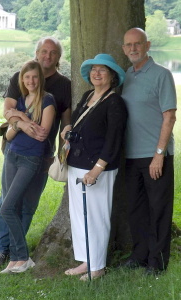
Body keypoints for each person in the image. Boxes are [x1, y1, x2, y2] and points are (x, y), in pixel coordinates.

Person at [0, 37, 72, 269]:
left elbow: (65, 122)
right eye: (44, 51)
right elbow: (8, 110)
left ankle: (18, 251)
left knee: (28, 204)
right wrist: (22, 124)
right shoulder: (22, 76)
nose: (48, 56)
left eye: (53, 52)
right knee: (5, 202)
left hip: (41, 153)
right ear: (37, 53)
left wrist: (60, 153)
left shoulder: (63, 86)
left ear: (58, 57)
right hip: (14, 148)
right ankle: (1, 250)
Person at [60, 54, 128, 281]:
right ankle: (86, 260)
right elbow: (79, 120)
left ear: (112, 76)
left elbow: (114, 140)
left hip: (97, 169)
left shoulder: (114, 102)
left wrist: (97, 170)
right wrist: (69, 126)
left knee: (96, 217)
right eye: (94, 70)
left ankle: (97, 266)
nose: (97, 74)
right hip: (76, 165)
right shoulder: (88, 95)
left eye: (103, 70)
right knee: (79, 216)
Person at [120, 28, 177, 275]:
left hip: (155, 156)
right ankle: (140, 254)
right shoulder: (124, 77)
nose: (133, 48)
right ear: (124, 49)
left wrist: (159, 154)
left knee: (159, 209)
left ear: (147, 45)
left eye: (138, 44)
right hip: (130, 157)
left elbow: (170, 117)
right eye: (129, 45)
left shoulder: (161, 75)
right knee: (136, 209)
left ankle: (158, 261)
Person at [0, 60, 56, 273]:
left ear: (39, 79)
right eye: (26, 77)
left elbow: (41, 135)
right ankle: (16, 259)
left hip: (30, 159)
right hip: (12, 155)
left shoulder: (47, 101)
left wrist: (17, 124)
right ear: (22, 79)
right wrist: (22, 121)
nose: (30, 81)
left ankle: (22, 257)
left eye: (34, 77)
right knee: (9, 206)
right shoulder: (21, 101)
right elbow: (8, 134)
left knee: (8, 207)